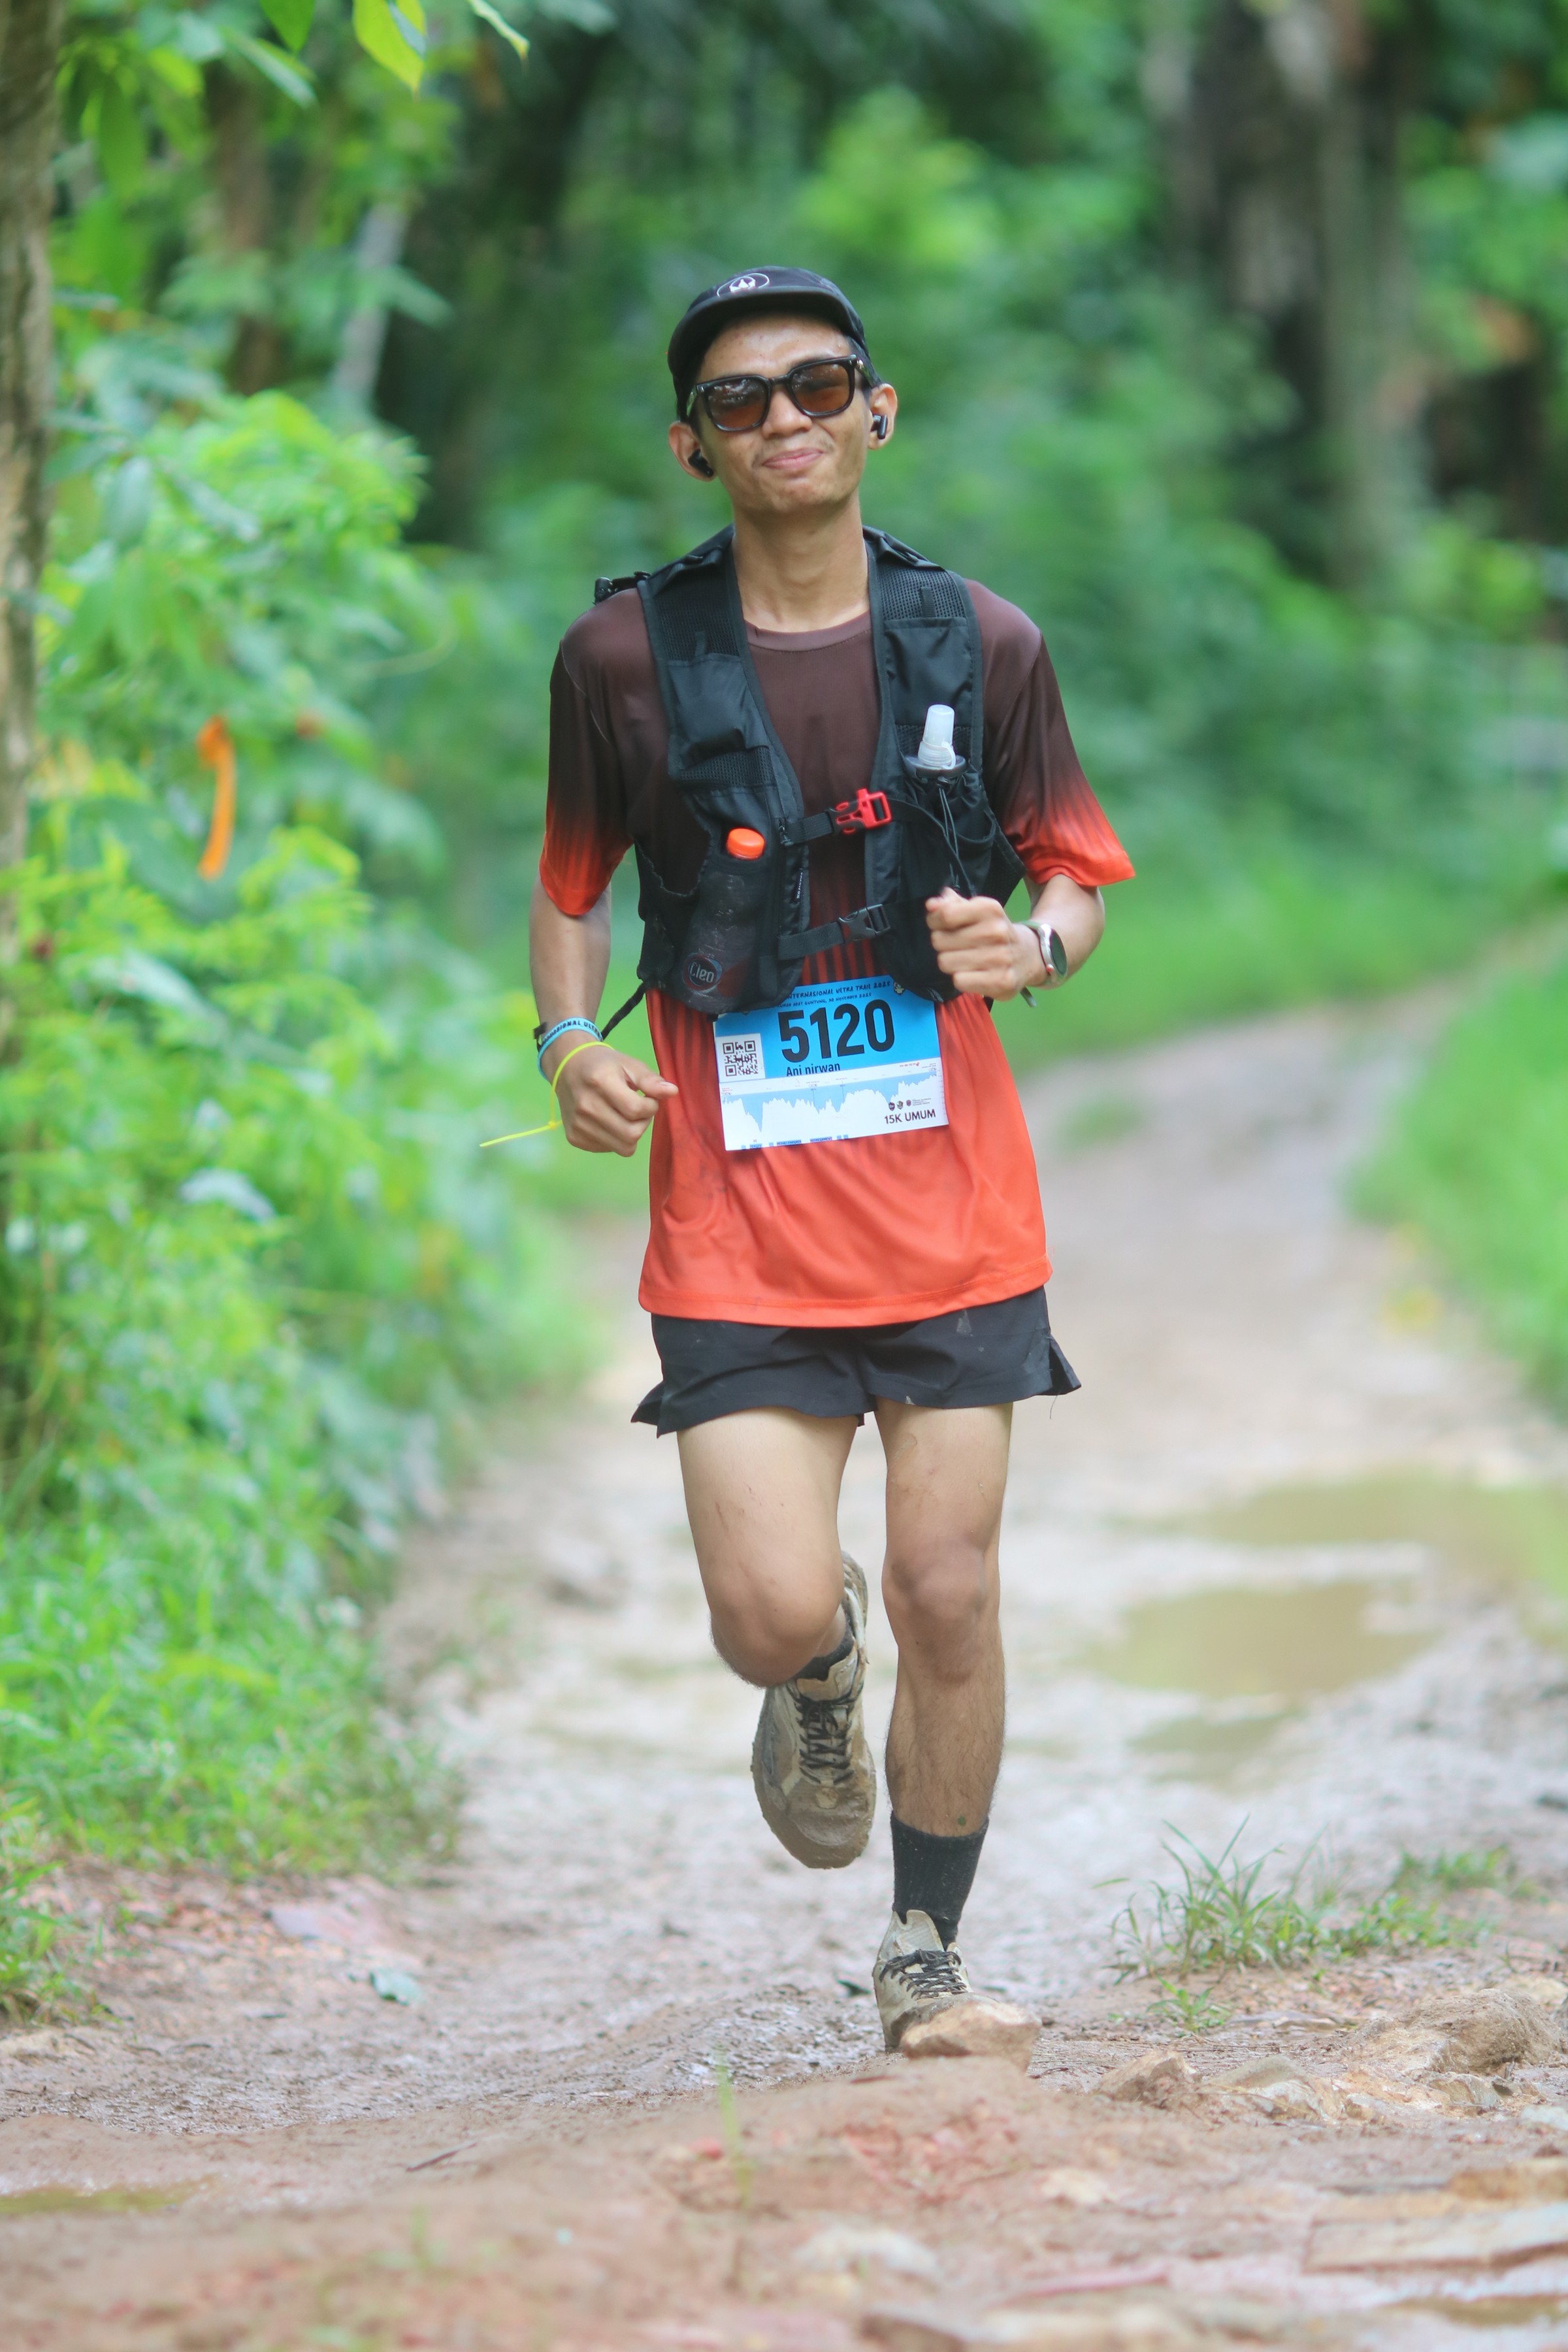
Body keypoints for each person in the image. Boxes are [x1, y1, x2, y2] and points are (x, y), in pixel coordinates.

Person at [529, 267, 1133, 2051]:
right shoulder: (623, 662)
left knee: (955, 1584)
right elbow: (570, 890)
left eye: (817, 384)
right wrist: (566, 1044)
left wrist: (1036, 949)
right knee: (768, 1606)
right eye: (741, 398)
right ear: (693, 445)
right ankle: (813, 1669)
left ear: (878, 410)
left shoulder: (984, 642)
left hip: (952, 1204)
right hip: (735, 1217)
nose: (783, 418)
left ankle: (925, 1952)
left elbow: (1073, 869)